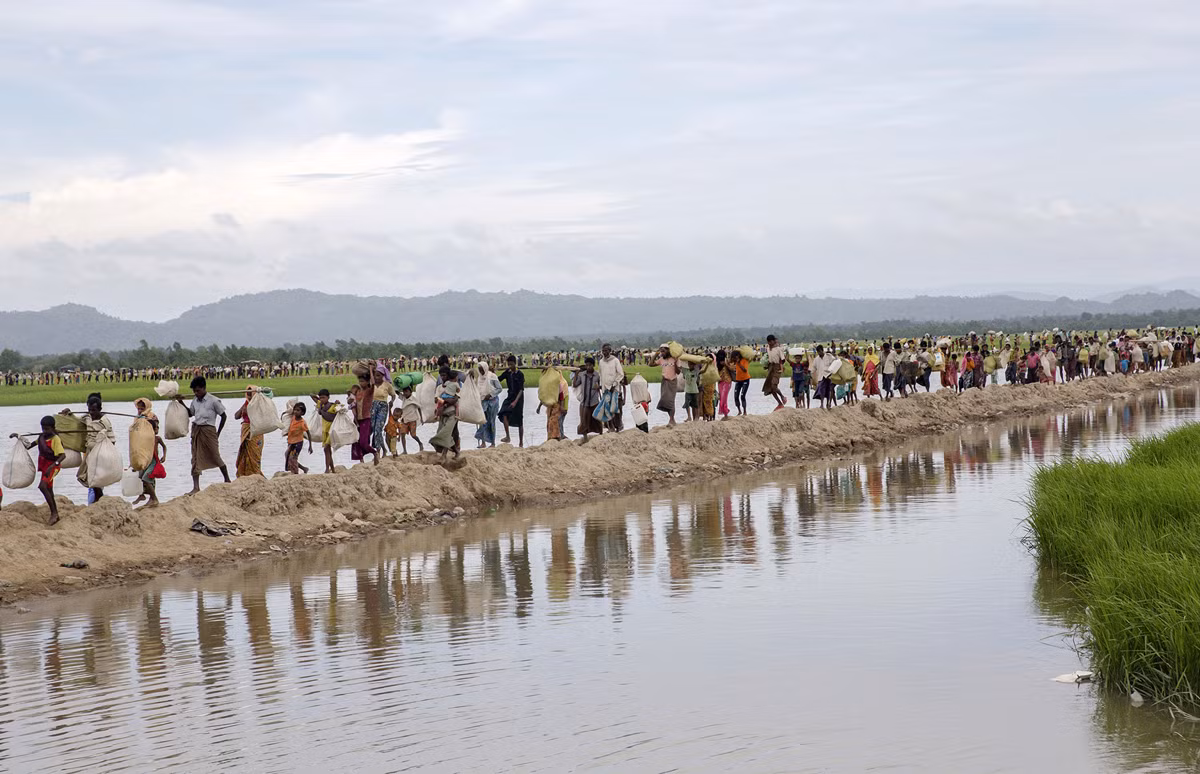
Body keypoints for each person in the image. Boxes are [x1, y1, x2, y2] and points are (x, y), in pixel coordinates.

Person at [176, 377, 230, 495]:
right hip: (197, 430)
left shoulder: (213, 401)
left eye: (198, 391)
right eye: (194, 391)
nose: (196, 393)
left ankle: (227, 479)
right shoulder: (195, 400)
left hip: (209, 430)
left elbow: (224, 416)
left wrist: (218, 433)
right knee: (195, 458)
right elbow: (191, 413)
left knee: (215, 455)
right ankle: (196, 487)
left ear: (204, 388)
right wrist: (181, 403)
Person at [10, 416, 66, 525]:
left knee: (42, 486)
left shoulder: (55, 439)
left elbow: (62, 455)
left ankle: (54, 514)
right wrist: (19, 437)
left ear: (53, 428)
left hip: (53, 466)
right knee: (48, 489)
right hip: (45, 467)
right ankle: (55, 515)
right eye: (43, 429)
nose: (45, 431)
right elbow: (29, 446)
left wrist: (52, 466)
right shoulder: (41, 437)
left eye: (47, 429)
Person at [65, 392, 117, 503]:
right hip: (89, 451)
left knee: (95, 477)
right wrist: (69, 414)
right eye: (89, 410)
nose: (91, 413)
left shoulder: (105, 422)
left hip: (100, 453)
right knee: (89, 476)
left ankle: (98, 500)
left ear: (100, 409)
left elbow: (112, 440)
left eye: (94, 410)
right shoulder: (87, 418)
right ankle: (98, 499)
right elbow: (78, 421)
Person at [131, 397, 167, 508]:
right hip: (143, 452)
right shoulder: (137, 418)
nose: (140, 410)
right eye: (139, 408)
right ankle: (145, 495)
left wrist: (146, 422)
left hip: (152, 457)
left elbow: (155, 430)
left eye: (142, 408)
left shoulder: (152, 417)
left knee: (148, 477)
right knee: (141, 475)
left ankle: (153, 498)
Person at [430, 366, 461, 461]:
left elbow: (455, 399)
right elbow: (436, 400)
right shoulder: (440, 387)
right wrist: (446, 401)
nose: (442, 377)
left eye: (444, 375)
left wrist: (443, 401)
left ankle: (444, 455)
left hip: (452, 415)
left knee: (446, 434)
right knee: (442, 434)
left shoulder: (454, 385)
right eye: (441, 376)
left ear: (448, 375)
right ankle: (456, 451)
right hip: (443, 415)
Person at [233, 386, 265, 478]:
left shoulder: (258, 404)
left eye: (251, 393)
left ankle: (255, 474)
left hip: (255, 431)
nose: (249, 395)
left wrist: (249, 410)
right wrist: (243, 408)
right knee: (244, 452)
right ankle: (244, 475)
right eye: (248, 393)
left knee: (254, 455)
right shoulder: (245, 403)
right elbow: (236, 416)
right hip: (246, 430)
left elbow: (261, 417)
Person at [349, 373, 379, 465]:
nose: (361, 383)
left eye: (363, 381)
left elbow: (373, 383)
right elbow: (351, 401)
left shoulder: (369, 391)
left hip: (366, 418)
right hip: (358, 419)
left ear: (367, 382)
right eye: (360, 381)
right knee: (356, 441)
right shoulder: (358, 392)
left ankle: (375, 453)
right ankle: (361, 461)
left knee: (363, 442)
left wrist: (370, 370)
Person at [595, 344, 625, 431]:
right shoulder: (601, 362)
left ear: (610, 351)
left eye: (606, 350)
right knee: (607, 408)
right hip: (605, 389)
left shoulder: (615, 361)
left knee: (615, 408)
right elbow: (600, 374)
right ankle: (610, 426)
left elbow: (620, 374)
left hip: (614, 389)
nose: (605, 352)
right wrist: (600, 385)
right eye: (603, 351)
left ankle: (618, 426)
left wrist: (614, 384)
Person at [498, 355, 526, 447]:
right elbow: (499, 379)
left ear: (515, 364)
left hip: (518, 398)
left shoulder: (520, 374)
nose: (510, 366)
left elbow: (521, 390)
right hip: (510, 396)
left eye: (511, 364)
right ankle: (508, 436)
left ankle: (521, 442)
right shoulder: (507, 372)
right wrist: (491, 374)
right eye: (508, 364)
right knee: (503, 413)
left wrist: (515, 402)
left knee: (519, 419)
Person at [572, 357, 603, 440]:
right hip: (584, 401)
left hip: (594, 401)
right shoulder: (582, 375)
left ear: (593, 365)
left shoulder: (597, 375)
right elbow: (575, 384)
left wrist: (598, 387)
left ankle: (601, 434)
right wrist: (576, 374)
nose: (588, 367)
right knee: (584, 419)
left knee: (597, 419)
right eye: (587, 365)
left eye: (590, 365)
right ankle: (585, 436)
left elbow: (602, 386)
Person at [475, 361, 503, 448]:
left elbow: (499, 388)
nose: (481, 372)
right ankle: (483, 442)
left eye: (482, 370)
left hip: (492, 402)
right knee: (482, 420)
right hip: (483, 402)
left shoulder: (492, 377)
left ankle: (493, 443)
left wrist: (490, 394)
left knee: (491, 422)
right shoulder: (479, 378)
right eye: (480, 370)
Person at [371, 364, 396, 457]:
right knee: (374, 429)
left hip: (383, 407)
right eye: (375, 375)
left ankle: (378, 451)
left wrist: (392, 402)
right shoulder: (372, 384)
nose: (377, 377)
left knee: (378, 429)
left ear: (383, 375)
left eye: (379, 375)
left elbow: (393, 395)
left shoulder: (387, 385)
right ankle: (384, 449)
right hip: (373, 407)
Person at [313, 389, 340, 473]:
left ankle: (327, 469)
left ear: (328, 397)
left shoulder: (333, 406)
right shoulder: (320, 406)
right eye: (320, 398)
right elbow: (311, 396)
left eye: (324, 398)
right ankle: (333, 469)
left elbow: (340, 410)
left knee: (326, 449)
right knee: (328, 450)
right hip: (325, 431)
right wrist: (318, 399)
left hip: (332, 431)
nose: (322, 399)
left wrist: (338, 404)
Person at [284, 403, 312, 474]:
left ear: (302, 413)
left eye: (298, 410)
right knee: (288, 456)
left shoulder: (302, 423)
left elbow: (308, 433)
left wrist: (310, 446)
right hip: (290, 441)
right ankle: (304, 469)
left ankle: (295, 473)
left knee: (293, 458)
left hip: (298, 443)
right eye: (295, 410)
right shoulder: (293, 418)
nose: (296, 411)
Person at [763, 335, 787, 410]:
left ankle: (782, 396)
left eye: (771, 341)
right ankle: (779, 403)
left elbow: (782, 360)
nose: (770, 343)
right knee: (770, 388)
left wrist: (781, 367)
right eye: (768, 341)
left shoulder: (778, 349)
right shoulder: (768, 349)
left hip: (777, 367)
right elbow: (768, 358)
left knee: (774, 385)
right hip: (770, 367)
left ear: (773, 341)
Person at [397, 387, 425, 454]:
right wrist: (398, 386)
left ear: (411, 392)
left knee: (413, 435)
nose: (405, 393)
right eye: (404, 392)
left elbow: (419, 408)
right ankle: (404, 450)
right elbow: (397, 392)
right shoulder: (403, 398)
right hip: (404, 419)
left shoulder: (414, 399)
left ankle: (420, 443)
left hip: (412, 419)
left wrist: (421, 418)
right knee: (402, 434)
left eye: (406, 391)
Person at [733, 348, 751, 416]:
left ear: (738, 356)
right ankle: (739, 411)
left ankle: (745, 411)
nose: (735, 358)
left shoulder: (744, 361)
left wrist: (739, 363)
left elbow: (745, 370)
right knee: (736, 396)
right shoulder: (735, 362)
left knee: (742, 395)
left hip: (745, 379)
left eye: (736, 356)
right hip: (738, 380)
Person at [716, 349, 733, 419]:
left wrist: (726, 365)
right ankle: (725, 413)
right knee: (722, 398)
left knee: (723, 397)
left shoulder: (727, 361)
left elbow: (732, 368)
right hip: (720, 382)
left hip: (727, 381)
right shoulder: (717, 363)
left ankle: (725, 412)